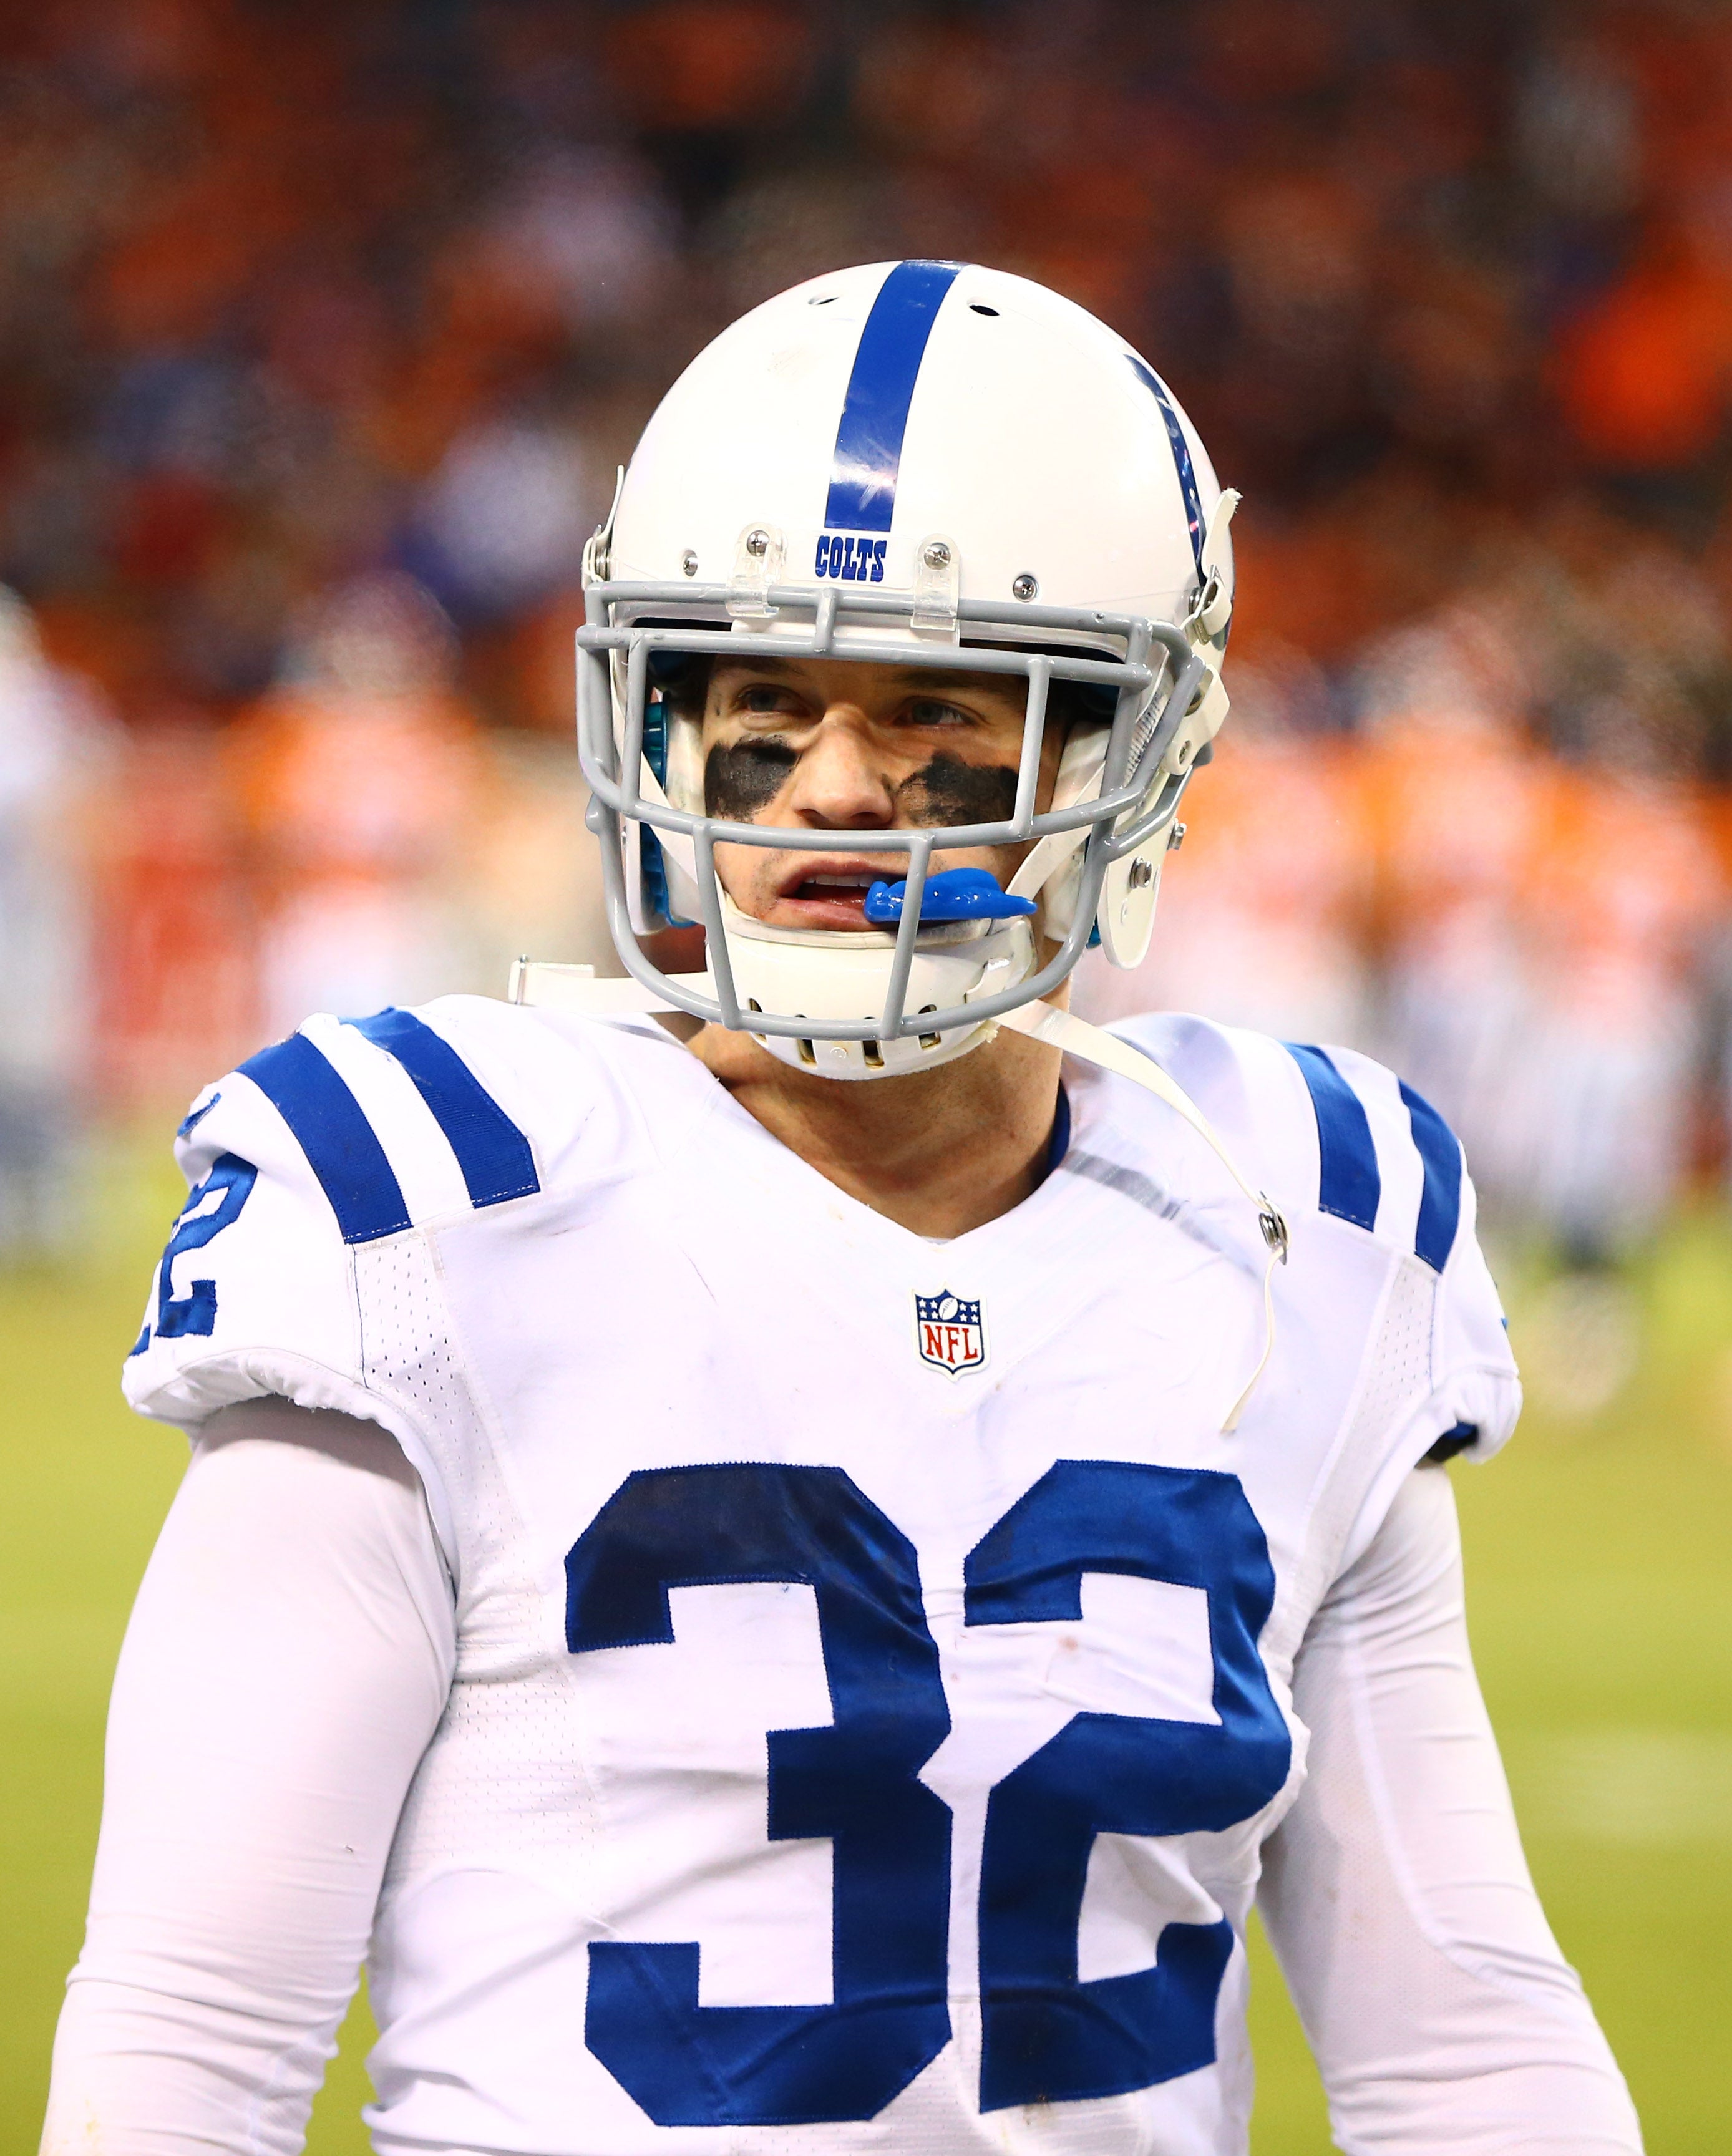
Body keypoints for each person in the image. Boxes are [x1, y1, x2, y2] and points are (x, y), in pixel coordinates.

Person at [44, 262, 1640, 2156]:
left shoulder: (1298, 1226)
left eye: (936, 708)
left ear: (1130, 753)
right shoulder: (429, 1212)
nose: (826, 787)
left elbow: (1463, 2051)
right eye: (760, 698)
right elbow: (194, 2040)